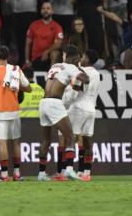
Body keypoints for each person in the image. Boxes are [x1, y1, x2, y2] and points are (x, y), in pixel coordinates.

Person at [37, 45, 89, 181]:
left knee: (46, 140)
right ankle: (69, 170)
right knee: (71, 136)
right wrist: (79, 70)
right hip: (54, 103)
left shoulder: (55, 65)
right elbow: (86, 79)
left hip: (43, 103)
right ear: (75, 58)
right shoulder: (71, 67)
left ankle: (41, 174)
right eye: (78, 58)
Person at [0, 46, 31, 182]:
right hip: (14, 111)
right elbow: (28, 88)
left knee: (2, 143)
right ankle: (17, 173)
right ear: (8, 56)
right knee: (16, 142)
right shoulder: (16, 70)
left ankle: (4, 175)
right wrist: (16, 85)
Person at [67, 49, 101, 181]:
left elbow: (77, 88)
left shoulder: (82, 72)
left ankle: (69, 169)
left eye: (84, 57)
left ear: (87, 59)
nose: (82, 59)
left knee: (71, 138)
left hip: (79, 107)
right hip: (91, 109)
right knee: (87, 141)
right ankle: (86, 172)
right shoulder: (97, 74)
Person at [25, 1, 64, 71]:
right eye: (43, 8)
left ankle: (51, 77)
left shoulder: (57, 27)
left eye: (48, 8)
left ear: (52, 11)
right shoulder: (33, 25)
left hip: (49, 57)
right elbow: (28, 43)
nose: (45, 10)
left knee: (55, 53)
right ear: (41, 11)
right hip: (36, 58)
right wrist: (27, 60)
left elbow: (58, 44)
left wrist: (47, 51)